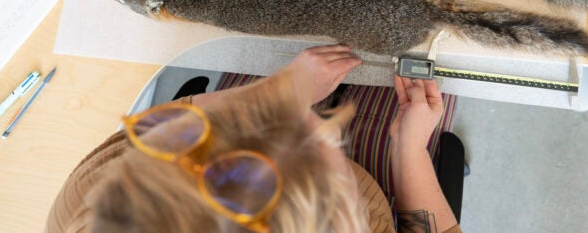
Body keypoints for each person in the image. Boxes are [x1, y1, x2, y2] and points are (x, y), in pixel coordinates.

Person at [46, 44, 461, 233]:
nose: (321, 126)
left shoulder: (93, 205)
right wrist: (409, 150)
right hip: (384, 187)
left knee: (265, 48)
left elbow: (170, 124)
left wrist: (283, 93)